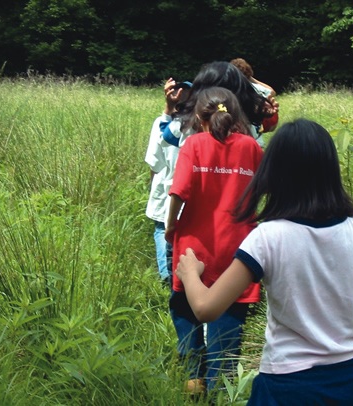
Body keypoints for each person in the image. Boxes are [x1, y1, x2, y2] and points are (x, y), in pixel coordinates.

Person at [175, 118, 353, 405]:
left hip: (284, 385)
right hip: (345, 384)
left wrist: (191, 274)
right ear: (330, 171)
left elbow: (206, 309)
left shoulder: (268, 237)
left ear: (272, 174)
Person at [165, 87, 264, 394]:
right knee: (231, 309)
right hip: (240, 247)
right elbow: (266, 191)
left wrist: (170, 228)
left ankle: (195, 374)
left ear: (198, 116)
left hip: (195, 244)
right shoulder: (251, 147)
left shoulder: (193, 144)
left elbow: (178, 193)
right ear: (235, 115)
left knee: (183, 303)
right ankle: (219, 384)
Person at [161, 61, 279, 149]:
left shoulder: (187, 124)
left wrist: (170, 106)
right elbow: (266, 129)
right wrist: (266, 115)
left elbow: (166, 137)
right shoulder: (246, 126)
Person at [144, 80, 192, 285]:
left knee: (162, 229)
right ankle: (177, 274)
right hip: (183, 188)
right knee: (180, 230)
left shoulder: (164, 124)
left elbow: (154, 161)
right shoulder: (198, 126)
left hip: (166, 184)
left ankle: (167, 275)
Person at [230, 57, 279, 133]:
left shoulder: (231, 92)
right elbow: (271, 91)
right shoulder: (256, 87)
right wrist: (250, 78)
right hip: (257, 133)